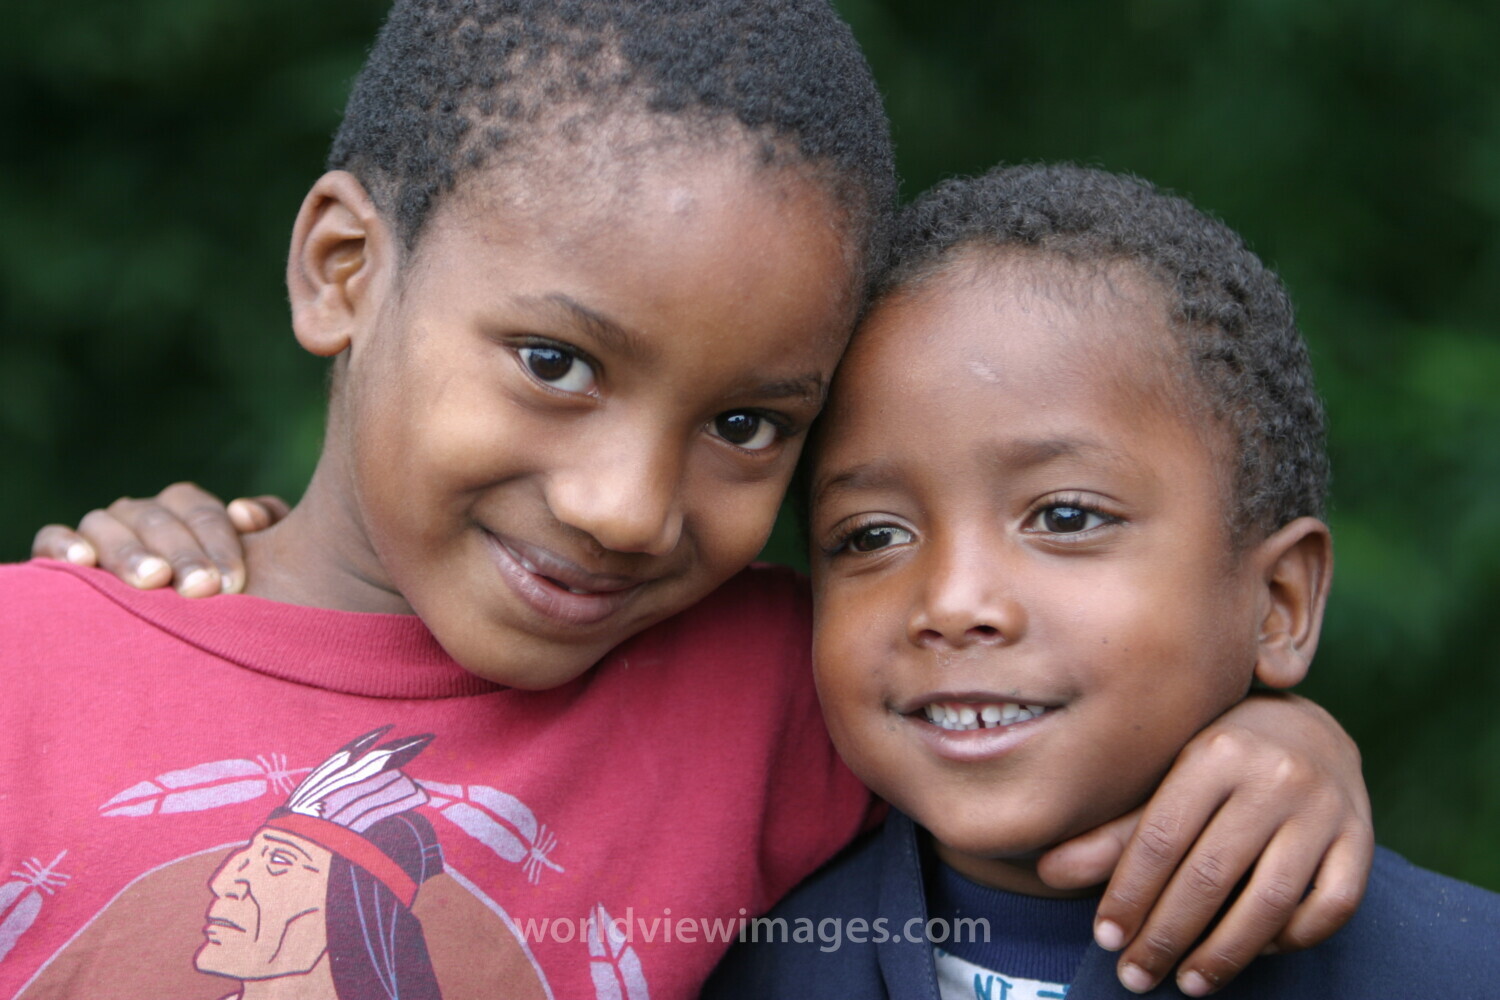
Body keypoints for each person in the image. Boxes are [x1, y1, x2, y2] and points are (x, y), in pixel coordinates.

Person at [8, 2, 1371, 996]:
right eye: (556, 363)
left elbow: (1067, 728)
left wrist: (1277, 747)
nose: (625, 505)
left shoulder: (775, 696)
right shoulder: (32, 672)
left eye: (744, 423)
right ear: (344, 270)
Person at [704, 163, 1500, 998]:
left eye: (1066, 517)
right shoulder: (728, 967)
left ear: (1280, 603)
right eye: (872, 534)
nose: (952, 602)